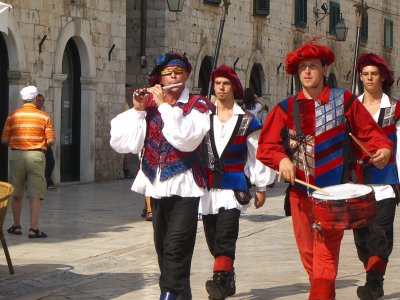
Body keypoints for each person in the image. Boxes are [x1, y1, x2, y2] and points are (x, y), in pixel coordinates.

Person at [256, 41, 393, 300]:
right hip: (300, 195)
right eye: (303, 67)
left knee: (325, 254)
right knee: (310, 257)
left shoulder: (345, 101)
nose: (307, 71)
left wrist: (383, 150)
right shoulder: (285, 108)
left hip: (334, 196)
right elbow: (266, 146)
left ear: (324, 69)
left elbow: (372, 135)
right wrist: (281, 159)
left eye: (313, 67)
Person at [109, 52, 215, 300]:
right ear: (160, 79)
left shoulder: (198, 105)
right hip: (156, 185)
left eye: (178, 72)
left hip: (186, 184)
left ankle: (167, 295)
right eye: (168, 74)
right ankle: (180, 294)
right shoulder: (150, 107)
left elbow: (185, 139)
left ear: (187, 75)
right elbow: (123, 143)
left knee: (177, 247)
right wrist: (137, 110)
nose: (173, 77)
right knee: (163, 247)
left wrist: (166, 106)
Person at [199, 65, 275, 300]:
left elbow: (256, 155)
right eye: (218, 83)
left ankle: (220, 281)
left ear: (234, 87)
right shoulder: (203, 117)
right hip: (208, 187)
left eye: (226, 83)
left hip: (233, 185)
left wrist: (261, 186)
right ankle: (228, 277)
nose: (221, 88)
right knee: (212, 236)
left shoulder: (247, 121)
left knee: (225, 233)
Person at [351, 53, 400, 300]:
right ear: (360, 77)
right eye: (365, 74)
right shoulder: (351, 108)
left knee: (380, 235)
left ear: (382, 78)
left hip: (385, 184)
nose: (370, 78)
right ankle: (373, 275)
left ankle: (373, 283)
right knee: (362, 240)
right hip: (357, 186)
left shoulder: (394, 109)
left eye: (374, 74)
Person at [1, 86, 55, 238]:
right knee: (35, 194)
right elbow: (51, 140)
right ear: (35, 98)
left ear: (22, 99)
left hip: (17, 156)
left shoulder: (13, 116)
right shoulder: (44, 117)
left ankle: (17, 226)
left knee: (17, 192)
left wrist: (18, 140)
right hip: (37, 156)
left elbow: (4, 139)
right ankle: (33, 228)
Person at [35, 94, 57, 191]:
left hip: (45, 142)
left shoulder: (43, 114)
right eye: (39, 101)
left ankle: (46, 181)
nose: (40, 102)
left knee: (51, 162)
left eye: (42, 101)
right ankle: (47, 182)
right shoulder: (34, 113)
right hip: (36, 143)